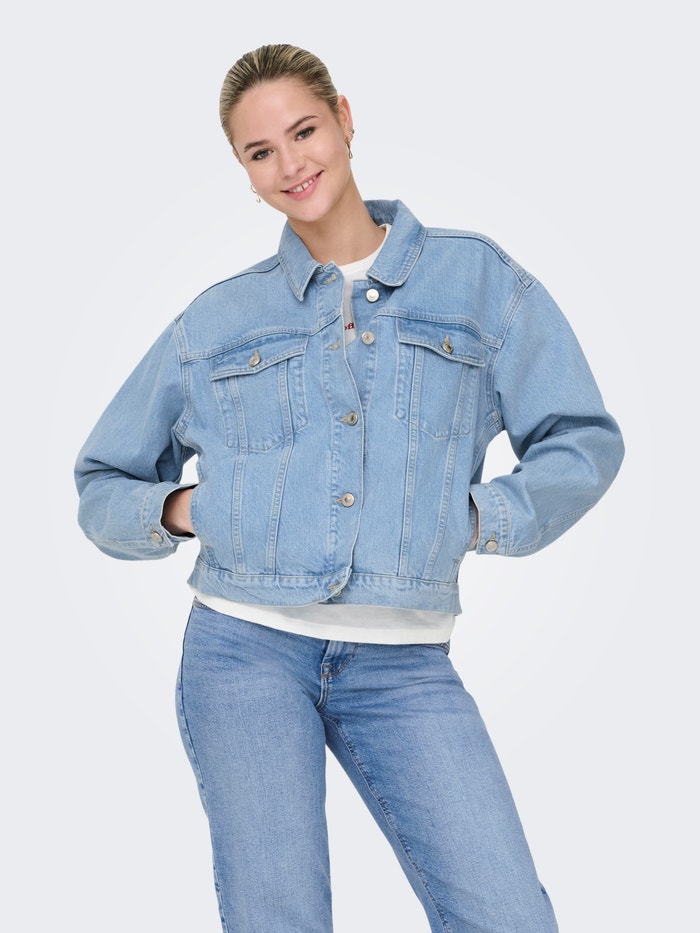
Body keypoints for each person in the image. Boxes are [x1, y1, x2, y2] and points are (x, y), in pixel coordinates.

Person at [75, 43, 624, 933]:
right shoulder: (217, 319)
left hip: (405, 665)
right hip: (242, 653)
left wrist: (478, 517)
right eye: (260, 152)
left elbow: (581, 440)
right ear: (244, 170)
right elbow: (103, 481)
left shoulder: (479, 282)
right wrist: (189, 508)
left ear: (344, 118)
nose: (290, 165)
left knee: (508, 915)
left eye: (304, 131)